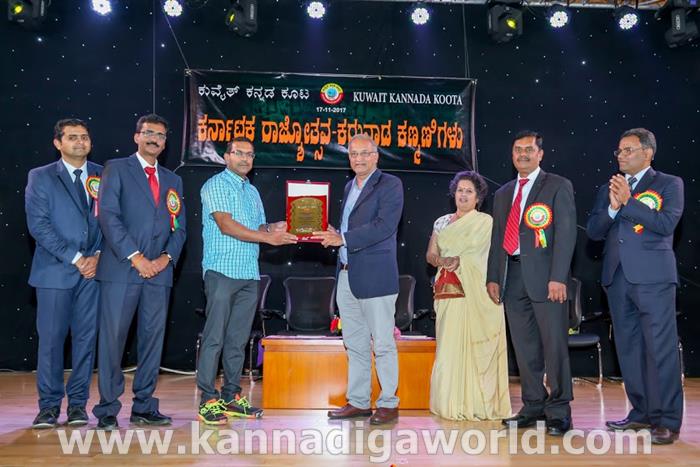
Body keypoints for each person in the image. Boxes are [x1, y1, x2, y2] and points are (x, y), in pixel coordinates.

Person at [586, 128, 684, 445]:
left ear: (648, 153)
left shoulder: (669, 184)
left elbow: (666, 224)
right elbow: (594, 231)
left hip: (654, 279)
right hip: (617, 280)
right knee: (629, 350)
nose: (621, 155)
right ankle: (641, 412)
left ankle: (667, 420)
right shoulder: (610, 188)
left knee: (660, 350)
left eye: (628, 150)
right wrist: (613, 207)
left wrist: (628, 202)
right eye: (619, 150)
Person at [92, 114, 186, 430]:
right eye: (148, 133)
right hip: (122, 270)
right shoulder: (116, 168)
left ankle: (144, 406)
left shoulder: (173, 180)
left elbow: (179, 228)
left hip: (159, 274)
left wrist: (165, 259)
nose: (154, 139)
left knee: (152, 341)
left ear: (165, 142)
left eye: (160, 135)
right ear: (137, 137)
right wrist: (136, 257)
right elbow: (108, 216)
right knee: (113, 342)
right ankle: (107, 409)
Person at [196, 138, 297, 425]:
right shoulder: (216, 185)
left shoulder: (251, 191)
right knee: (214, 337)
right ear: (226, 156)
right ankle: (207, 399)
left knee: (237, 340)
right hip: (221, 271)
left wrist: (276, 227)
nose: (244, 158)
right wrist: (267, 238)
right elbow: (226, 225)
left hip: (249, 274)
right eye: (238, 153)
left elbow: (258, 227)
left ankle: (231, 396)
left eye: (250, 154)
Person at [486, 130, 576, 436]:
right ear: (512, 155)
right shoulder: (503, 193)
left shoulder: (557, 185)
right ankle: (533, 405)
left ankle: (559, 411)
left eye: (528, 149)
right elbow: (498, 238)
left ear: (540, 154)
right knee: (524, 348)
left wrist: (558, 277)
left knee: (554, 346)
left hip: (547, 279)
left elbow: (566, 234)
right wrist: (493, 276)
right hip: (512, 278)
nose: (522, 154)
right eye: (517, 149)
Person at [313, 133, 404, 425]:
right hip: (346, 275)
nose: (359, 159)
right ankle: (359, 401)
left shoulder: (390, 184)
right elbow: (348, 228)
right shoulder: (349, 186)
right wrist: (333, 232)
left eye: (365, 153)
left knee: (383, 344)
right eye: (353, 154)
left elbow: (384, 226)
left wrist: (343, 238)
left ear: (376, 156)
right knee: (354, 344)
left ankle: (388, 403)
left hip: (376, 277)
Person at [25, 118, 103, 428]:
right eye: (72, 137)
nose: (80, 142)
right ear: (58, 143)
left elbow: (112, 220)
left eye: (84, 137)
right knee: (51, 342)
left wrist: (97, 256)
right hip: (55, 272)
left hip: (93, 274)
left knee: (85, 341)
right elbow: (39, 225)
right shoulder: (41, 176)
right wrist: (76, 258)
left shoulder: (104, 175)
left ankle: (78, 406)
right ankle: (48, 407)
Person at [426, 171, 511, 421]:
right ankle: (450, 402)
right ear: (454, 193)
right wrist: (442, 261)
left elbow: (489, 257)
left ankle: (479, 403)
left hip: (478, 293)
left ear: (478, 198)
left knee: (478, 347)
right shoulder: (442, 222)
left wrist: (461, 260)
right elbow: (430, 255)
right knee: (449, 345)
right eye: (460, 190)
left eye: (469, 191)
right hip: (449, 290)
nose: (463, 195)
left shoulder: (486, 222)